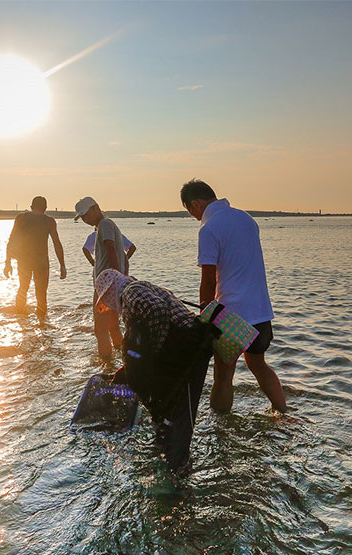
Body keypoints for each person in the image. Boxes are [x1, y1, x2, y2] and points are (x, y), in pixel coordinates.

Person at [180, 179, 287, 413]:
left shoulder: (209, 228)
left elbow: (208, 280)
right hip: (260, 311)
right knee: (258, 365)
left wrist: (204, 318)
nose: (195, 218)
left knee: (223, 376)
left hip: (232, 315)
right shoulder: (246, 219)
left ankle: (220, 431)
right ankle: (284, 413)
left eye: (192, 212)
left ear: (195, 204)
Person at [95, 268, 214, 470]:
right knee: (172, 406)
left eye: (106, 299)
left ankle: (177, 469)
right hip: (188, 345)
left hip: (189, 348)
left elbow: (156, 311)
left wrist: (154, 353)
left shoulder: (129, 292)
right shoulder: (141, 287)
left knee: (182, 411)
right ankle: (169, 454)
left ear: (110, 292)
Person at [74, 196, 127, 358]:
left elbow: (111, 249)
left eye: (86, 215)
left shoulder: (104, 224)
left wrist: (114, 279)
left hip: (106, 286)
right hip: (114, 284)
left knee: (100, 329)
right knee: (112, 326)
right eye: (82, 217)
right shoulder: (108, 225)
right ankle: (125, 359)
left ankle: (106, 365)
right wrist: (122, 278)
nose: (85, 219)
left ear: (96, 208)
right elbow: (124, 256)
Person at [4, 196, 67, 317]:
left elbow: (11, 240)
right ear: (45, 208)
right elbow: (57, 243)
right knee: (41, 293)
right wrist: (62, 265)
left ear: (31, 207)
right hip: (41, 262)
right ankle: (42, 324)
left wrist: (8, 262)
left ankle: (21, 320)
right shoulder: (49, 221)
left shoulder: (20, 218)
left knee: (23, 289)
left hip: (24, 261)